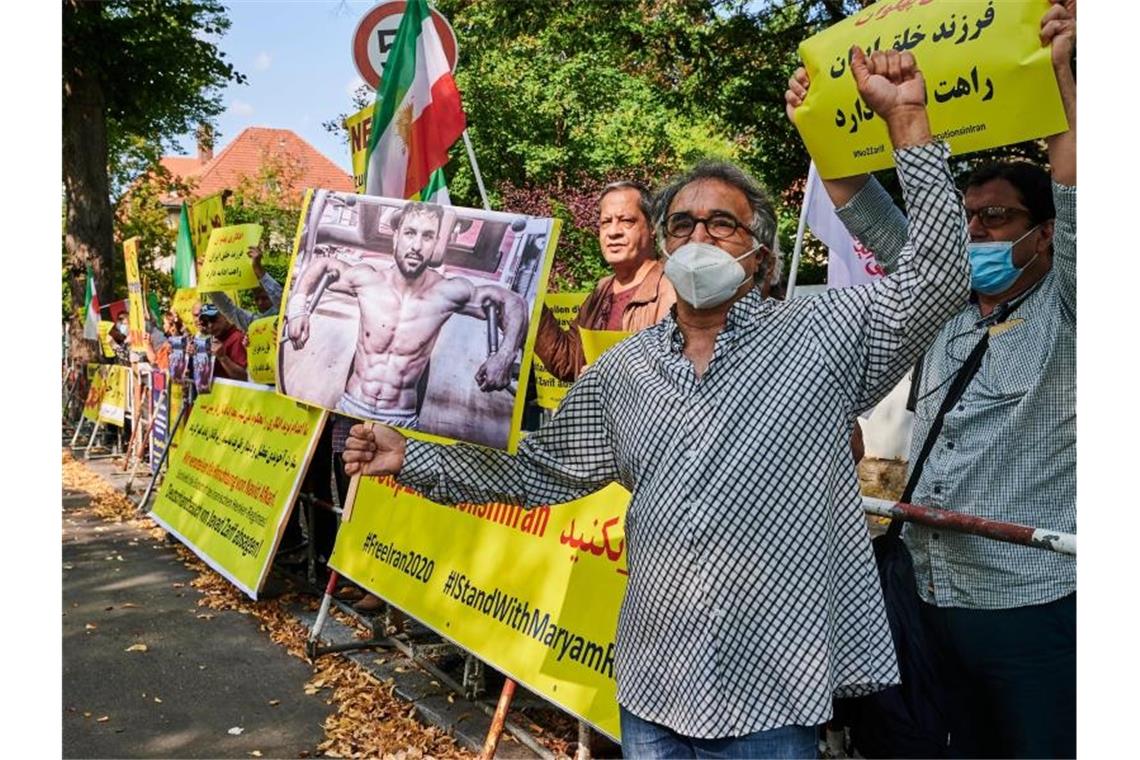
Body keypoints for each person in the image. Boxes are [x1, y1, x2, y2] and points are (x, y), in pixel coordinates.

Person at [343, 48, 969, 758]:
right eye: (681, 225)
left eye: (722, 225)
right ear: (664, 247)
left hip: (771, 695)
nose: (698, 237)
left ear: (759, 255)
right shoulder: (625, 372)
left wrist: (908, 121)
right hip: (652, 690)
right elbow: (534, 473)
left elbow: (940, 277)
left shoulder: (822, 332)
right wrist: (409, 457)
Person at [785, 2, 1076, 756]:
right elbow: (863, 207)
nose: (975, 232)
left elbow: (1082, 191)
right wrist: (823, 117)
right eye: (969, 218)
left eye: (997, 219)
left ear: (1044, 234)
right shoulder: (942, 300)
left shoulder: (1075, 311)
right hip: (924, 594)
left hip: (1028, 611)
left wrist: (1063, 82)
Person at [285, 200, 528, 429]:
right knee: (343, 469)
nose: (416, 246)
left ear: (435, 245)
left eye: (428, 236)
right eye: (410, 233)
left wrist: (505, 356)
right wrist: (297, 310)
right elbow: (322, 265)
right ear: (396, 238)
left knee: (391, 475)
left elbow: (514, 302)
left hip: (401, 419)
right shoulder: (368, 279)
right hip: (351, 406)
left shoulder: (447, 291)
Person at [534, 181, 676, 381]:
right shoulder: (601, 291)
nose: (613, 232)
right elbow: (568, 362)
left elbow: (680, 373)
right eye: (605, 222)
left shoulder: (671, 288)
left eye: (626, 220)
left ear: (652, 227)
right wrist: (531, 304)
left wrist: (612, 377)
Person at [206, 245, 283, 332]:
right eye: (257, 299)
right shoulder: (254, 323)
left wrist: (258, 268)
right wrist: (208, 280)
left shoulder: (284, 316)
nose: (260, 303)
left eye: (265, 298)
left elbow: (280, 297)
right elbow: (228, 309)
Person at [195, 303, 248, 381]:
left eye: (213, 319)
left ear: (225, 316)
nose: (210, 325)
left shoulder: (237, 338)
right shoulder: (211, 339)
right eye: (205, 322)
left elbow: (243, 377)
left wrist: (223, 358)